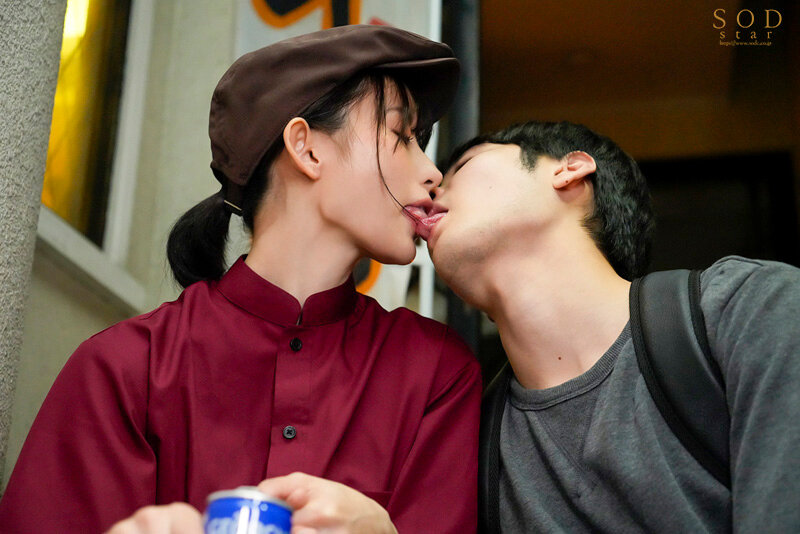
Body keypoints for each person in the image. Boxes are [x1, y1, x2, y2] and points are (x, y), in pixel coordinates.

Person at [0, 25, 481, 533]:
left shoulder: (436, 371)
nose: (433, 173)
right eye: (403, 137)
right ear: (307, 148)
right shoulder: (124, 368)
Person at [416, 120, 800, 533]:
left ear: (571, 170)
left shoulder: (749, 308)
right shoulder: (468, 444)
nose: (432, 188)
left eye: (462, 167)